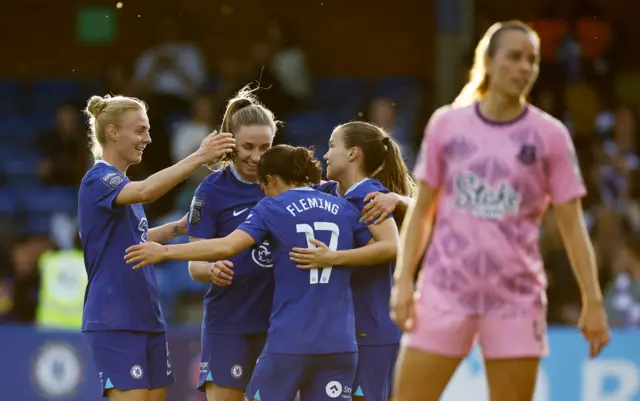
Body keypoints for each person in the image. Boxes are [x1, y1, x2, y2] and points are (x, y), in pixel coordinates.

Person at [389, 21, 611, 401]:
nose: (525, 67)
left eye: (532, 60)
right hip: (445, 292)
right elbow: (422, 211)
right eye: (514, 57)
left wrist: (593, 301)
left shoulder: (551, 136)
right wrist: (404, 280)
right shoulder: (447, 124)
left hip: (516, 300)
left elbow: (572, 227)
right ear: (488, 62)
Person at [125, 145, 378, 401]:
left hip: (290, 341)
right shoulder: (345, 208)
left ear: (270, 180)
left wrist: (165, 253)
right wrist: (337, 258)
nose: (263, 193)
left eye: (262, 186)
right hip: (341, 343)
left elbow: (227, 245)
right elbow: (378, 251)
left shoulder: (272, 207)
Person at [78, 94, 234, 401]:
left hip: (146, 315)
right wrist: (199, 157)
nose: (147, 139)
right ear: (112, 132)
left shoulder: (120, 184)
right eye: (139, 130)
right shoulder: (98, 180)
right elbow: (147, 191)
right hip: (115, 317)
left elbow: (136, 239)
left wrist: (178, 227)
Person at [290, 121, 413, 401]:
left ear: (352, 153)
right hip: (338, 331)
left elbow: (391, 246)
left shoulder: (371, 196)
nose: (325, 154)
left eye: (332, 146)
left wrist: (333, 258)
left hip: (371, 329)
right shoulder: (329, 194)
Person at [186, 87, 278, 401]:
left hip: (280, 323)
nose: (256, 156)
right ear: (230, 143)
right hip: (229, 323)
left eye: (265, 147)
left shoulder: (286, 183)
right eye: (248, 147)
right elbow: (194, 264)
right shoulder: (211, 191)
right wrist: (210, 269)